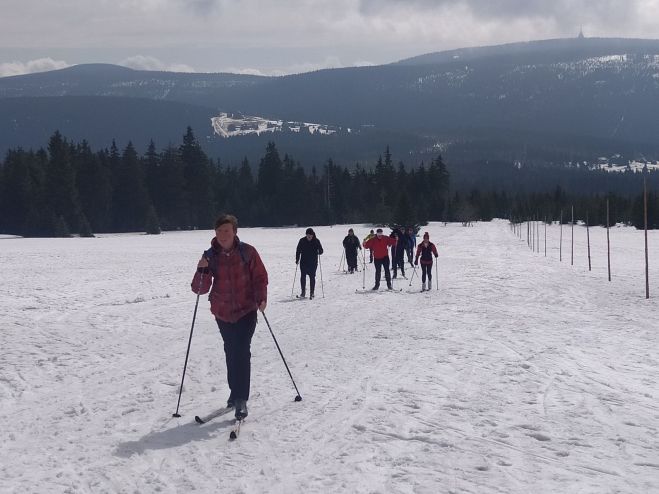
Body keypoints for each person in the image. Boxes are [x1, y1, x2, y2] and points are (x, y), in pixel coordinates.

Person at [191, 214, 268, 420]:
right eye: (219, 231)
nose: (223, 235)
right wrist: (202, 270)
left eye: (226, 230)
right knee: (230, 351)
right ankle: (234, 394)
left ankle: (241, 398)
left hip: (246, 309)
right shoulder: (210, 255)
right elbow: (199, 289)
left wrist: (261, 298)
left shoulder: (248, 252)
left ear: (235, 232)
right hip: (222, 312)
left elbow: (260, 277)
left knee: (241, 350)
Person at [296, 227, 324, 299]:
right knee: (303, 276)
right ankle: (303, 292)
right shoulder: (302, 241)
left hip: (313, 263)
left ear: (312, 235)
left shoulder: (316, 241)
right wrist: (297, 259)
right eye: (307, 235)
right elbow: (298, 250)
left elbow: (321, 250)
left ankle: (312, 293)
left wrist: (319, 251)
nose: (309, 236)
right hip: (304, 262)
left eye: (310, 235)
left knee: (312, 277)